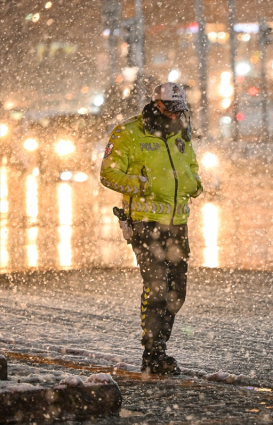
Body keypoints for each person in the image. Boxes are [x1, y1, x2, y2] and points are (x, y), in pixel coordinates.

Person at [100, 82, 203, 375]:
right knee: (157, 288)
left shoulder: (182, 129)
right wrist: (140, 186)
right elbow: (107, 174)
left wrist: (194, 183)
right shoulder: (128, 133)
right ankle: (154, 353)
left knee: (176, 292)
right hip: (145, 224)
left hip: (177, 224)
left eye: (178, 110)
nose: (173, 116)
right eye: (169, 110)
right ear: (155, 104)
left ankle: (160, 347)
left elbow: (191, 165)